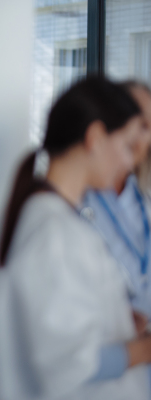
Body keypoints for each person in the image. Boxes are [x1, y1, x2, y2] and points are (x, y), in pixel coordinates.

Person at [0, 76, 151, 400]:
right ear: (95, 137)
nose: (129, 161)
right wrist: (145, 349)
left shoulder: (56, 221)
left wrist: (117, 321)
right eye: (126, 146)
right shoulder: (56, 233)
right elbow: (73, 365)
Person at [81, 82, 151, 319]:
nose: (137, 136)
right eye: (133, 122)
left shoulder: (145, 200)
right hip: (105, 347)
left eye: (146, 126)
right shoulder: (76, 202)